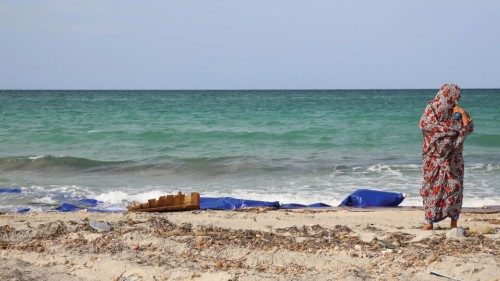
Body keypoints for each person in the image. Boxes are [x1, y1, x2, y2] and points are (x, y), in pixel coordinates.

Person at [418, 84, 474, 230]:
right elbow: (425, 125)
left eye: (458, 97)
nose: (457, 100)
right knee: (430, 188)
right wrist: (454, 127)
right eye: (455, 97)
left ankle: (454, 223)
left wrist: (462, 113)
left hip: (453, 159)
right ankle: (429, 222)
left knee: (454, 188)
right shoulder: (431, 110)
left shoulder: (457, 112)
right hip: (433, 159)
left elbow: (469, 127)